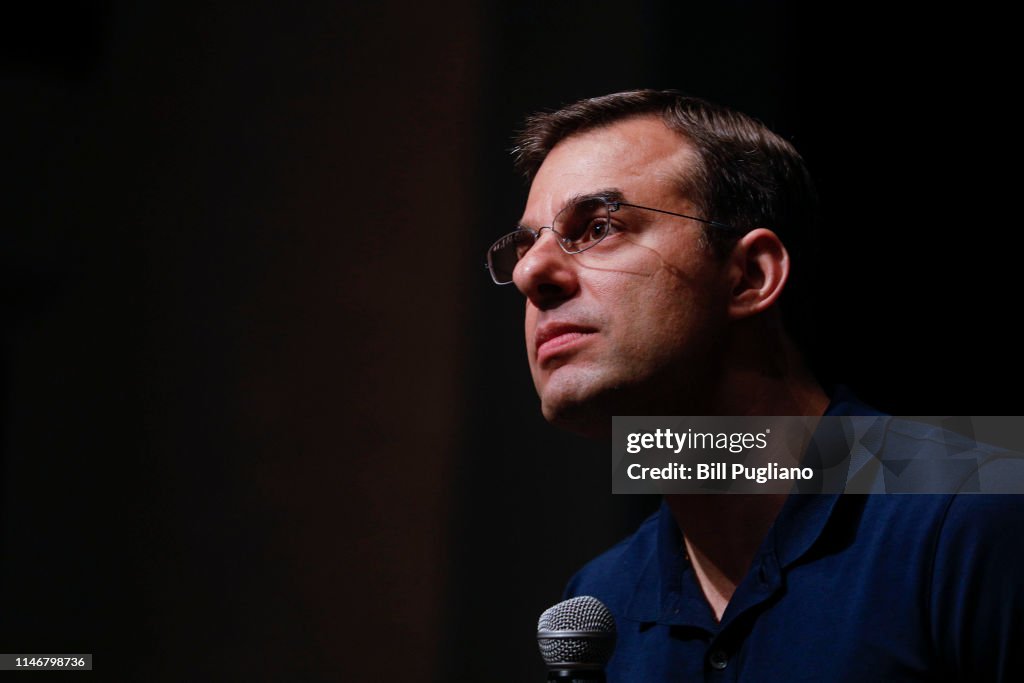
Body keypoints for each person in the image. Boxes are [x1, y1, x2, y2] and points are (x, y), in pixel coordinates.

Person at [485, 90, 1023, 681]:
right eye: (526, 244)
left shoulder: (982, 509)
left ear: (751, 275)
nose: (530, 272)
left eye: (599, 227)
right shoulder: (600, 599)